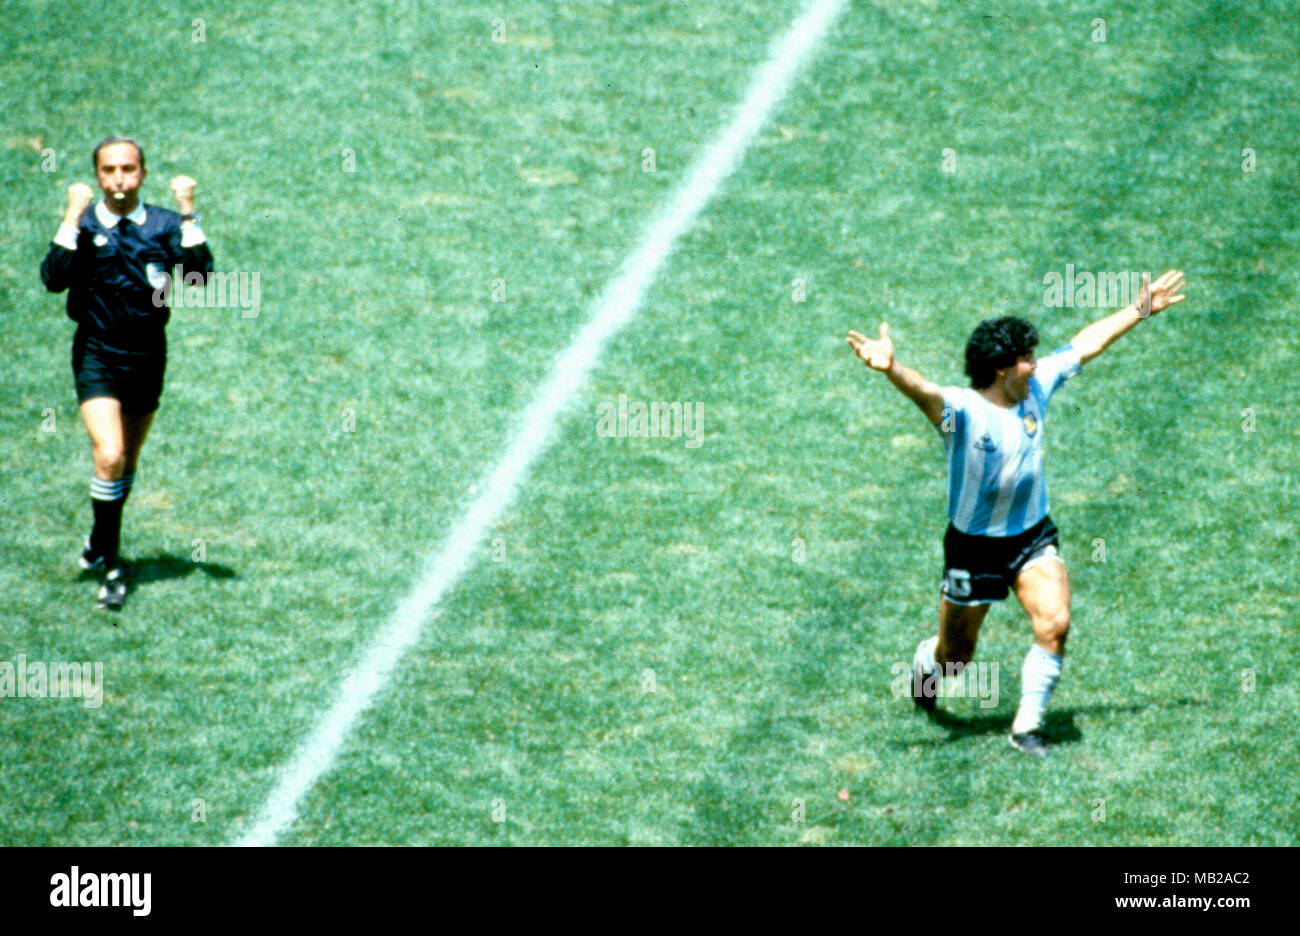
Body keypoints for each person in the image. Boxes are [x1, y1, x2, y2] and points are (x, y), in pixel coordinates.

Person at [846, 270, 1186, 754]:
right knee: (956, 659)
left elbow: (1084, 346)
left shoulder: (1038, 387)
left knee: (1055, 622)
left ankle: (1027, 728)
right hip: (973, 548)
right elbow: (925, 392)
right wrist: (890, 368)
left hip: (1031, 537)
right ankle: (926, 667)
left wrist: (1139, 310)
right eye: (1027, 358)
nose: (1035, 363)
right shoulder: (959, 414)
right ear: (1003, 368)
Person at [40, 137, 213, 611]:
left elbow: (199, 277)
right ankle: (114, 567)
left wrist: (189, 210)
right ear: (97, 176)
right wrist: (72, 217)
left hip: (147, 355)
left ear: (143, 173)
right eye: (110, 170)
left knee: (128, 462)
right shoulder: (87, 222)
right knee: (110, 454)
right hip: (97, 352)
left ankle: (99, 539)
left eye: (129, 170)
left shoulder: (162, 224)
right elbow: (53, 278)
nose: (119, 180)